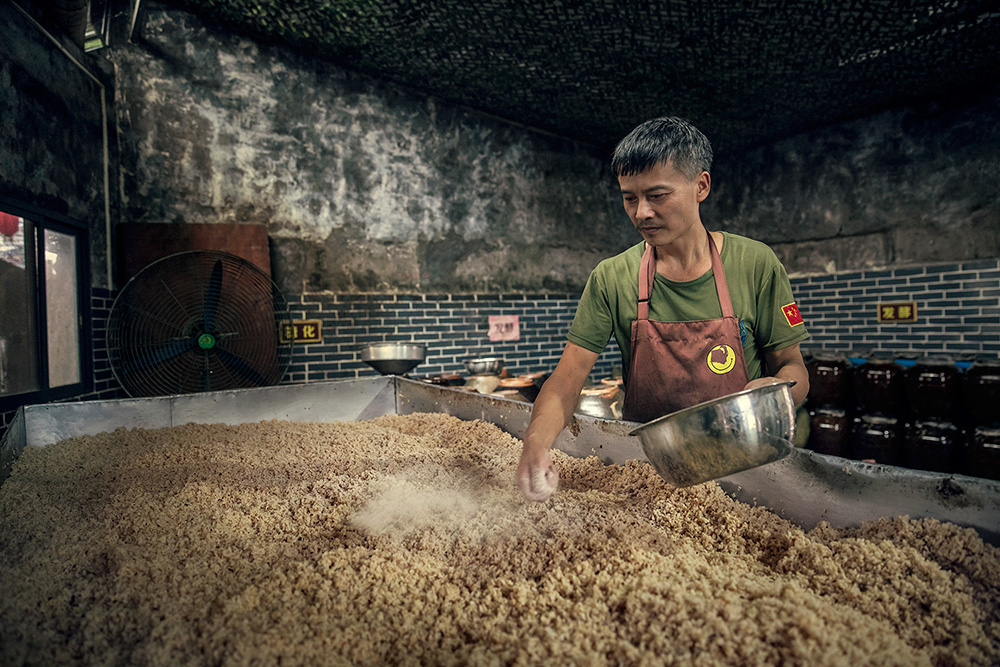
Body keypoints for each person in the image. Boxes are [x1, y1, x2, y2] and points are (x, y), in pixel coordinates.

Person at [516, 116, 810, 502]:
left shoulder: (755, 263)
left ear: (701, 185)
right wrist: (536, 441)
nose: (641, 213)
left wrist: (774, 390)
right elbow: (567, 380)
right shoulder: (611, 277)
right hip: (651, 476)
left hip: (746, 473)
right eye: (629, 197)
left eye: (657, 196)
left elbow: (795, 369)